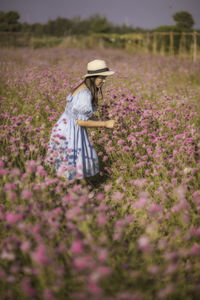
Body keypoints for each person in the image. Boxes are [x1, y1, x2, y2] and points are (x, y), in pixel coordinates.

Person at [45, 59, 115, 181]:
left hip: (64, 126)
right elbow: (81, 121)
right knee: (74, 162)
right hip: (71, 130)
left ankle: (69, 191)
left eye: (105, 78)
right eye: (101, 78)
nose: (104, 81)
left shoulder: (83, 87)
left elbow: (79, 114)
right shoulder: (85, 94)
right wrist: (105, 123)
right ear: (93, 77)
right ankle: (74, 193)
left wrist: (98, 118)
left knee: (69, 163)